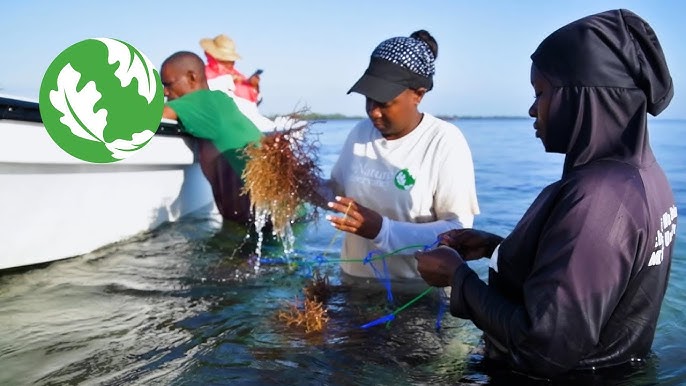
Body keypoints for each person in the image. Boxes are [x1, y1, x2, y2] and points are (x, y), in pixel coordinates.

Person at [415, 9, 677, 379]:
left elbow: (544, 348)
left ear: (581, 98)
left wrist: (457, 277)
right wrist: (497, 248)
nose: (532, 109)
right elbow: (584, 274)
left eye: (541, 93)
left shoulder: (598, 198)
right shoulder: (644, 177)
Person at [321, 30, 480, 285]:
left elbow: (459, 231)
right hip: (354, 284)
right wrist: (296, 178)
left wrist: (382, 230)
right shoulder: (360, 133)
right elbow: (336, 195)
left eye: (383, 101)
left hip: (416, 292)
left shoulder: (444, 141)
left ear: (418, 94)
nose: (373, 111)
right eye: (368, 98)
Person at [161, 51, 264, 224]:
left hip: (263, 220)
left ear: (192, 77)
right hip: (275, 215)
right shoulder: (218, 100)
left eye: (168, 84)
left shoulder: (199, 101)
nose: (165, 92)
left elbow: (146, 116)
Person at [199, 34, 276, 133]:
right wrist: (229, 80)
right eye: (227, 60)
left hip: (252, 125)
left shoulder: (239, 76)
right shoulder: (203, 74)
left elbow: (254, 104)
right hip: (226, 127)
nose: (231, 64)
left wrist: (254, 86)